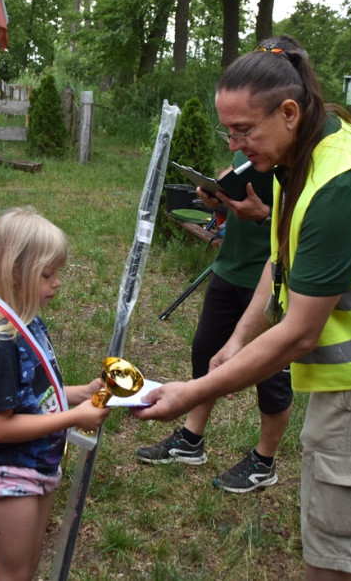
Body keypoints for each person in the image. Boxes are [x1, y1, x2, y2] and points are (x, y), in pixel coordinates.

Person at [134, 36, 351, 580]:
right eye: (226, 129)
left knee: (336, 561)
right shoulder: (298, 157)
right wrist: (237, 339)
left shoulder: (342, 186)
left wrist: (194, 393)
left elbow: (301, 333)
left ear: (289, 111)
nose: (234, 144)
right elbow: (282, 261)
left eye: (244, 130)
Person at [0, 207, 111, 581]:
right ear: (15, 272)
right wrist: (76, 417)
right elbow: (0, 427)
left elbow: (33, 393)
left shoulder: (27, 320)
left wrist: (81, 393)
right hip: (9, 473)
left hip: (39, 464)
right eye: (48, 274)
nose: (57, 283)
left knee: (27, 568)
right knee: (12, 573)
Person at [135, 151, 294, 493]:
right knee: (206, 351)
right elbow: (233, 195)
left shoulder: (293, 157)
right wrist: (216, 200)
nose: (235, 139)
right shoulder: (246, 150)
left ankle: (264, 462)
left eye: (241, 129)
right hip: (230, 266)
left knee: (269, 373)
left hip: (269, 277)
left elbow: (300, 228)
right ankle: (191, 440)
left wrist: (264, 216)